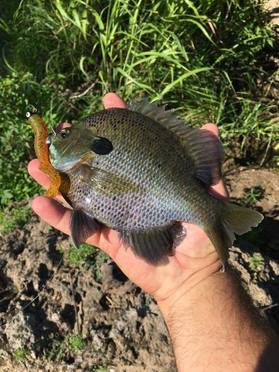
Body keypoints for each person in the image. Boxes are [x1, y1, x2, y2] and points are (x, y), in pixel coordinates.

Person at [28, 93, 279, 371]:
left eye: (64, 137)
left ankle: (213, 217)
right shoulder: (81, 162)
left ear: (83, 144)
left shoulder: (86, 158)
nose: (51, 142)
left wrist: (201, 276)